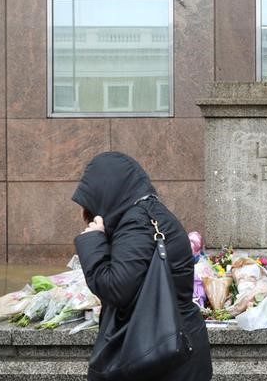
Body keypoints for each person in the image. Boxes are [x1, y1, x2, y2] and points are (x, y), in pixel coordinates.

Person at [73, 151, 212, 381]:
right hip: (175, 349)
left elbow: (116, 288)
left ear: (107, 191)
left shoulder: (137, 222)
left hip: (161, 354)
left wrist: (93, 240)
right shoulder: (151, 214)